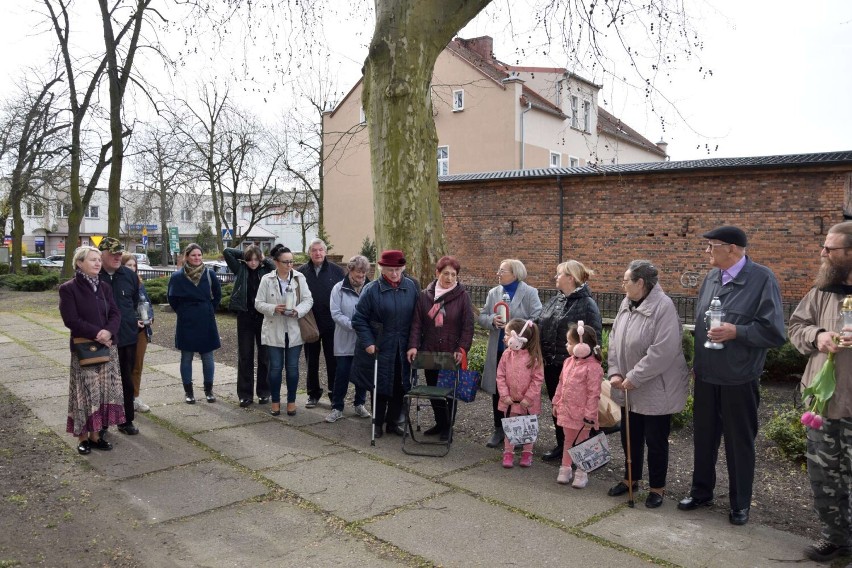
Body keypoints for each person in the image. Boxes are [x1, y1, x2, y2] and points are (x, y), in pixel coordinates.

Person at [678, 226, 785, 526]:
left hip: (739, 378)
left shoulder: (762, 279)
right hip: (707, 375)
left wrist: (736, 331)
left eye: (712, 246)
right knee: (704, 437)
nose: (707, 252)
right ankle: (701, 491)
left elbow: (775, 332)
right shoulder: (711, 277)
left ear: (734, 249)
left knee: (739, 443)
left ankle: (740, 503)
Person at [787, 221, 852, 563]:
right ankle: (835, 539)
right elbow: (796, 326)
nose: (823, 253)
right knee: (824, 478)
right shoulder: (821, 290)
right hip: (824, 406)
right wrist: (818, 336)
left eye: (831, 249)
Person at [607, 260, 690, 508]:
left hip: (655, 387)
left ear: (640, 283)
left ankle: (657, 487)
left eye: (625, 280)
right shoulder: (626, 303)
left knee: (655, 440)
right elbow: (614, 339)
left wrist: (635, 376)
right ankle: (631, 479)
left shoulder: (663, 307)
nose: (622, 285)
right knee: (629, 435)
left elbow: (663, 351)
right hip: (627, 386)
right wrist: (615, 372)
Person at [59, 246, 125, 454]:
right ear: (79, 263)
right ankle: (82, 437)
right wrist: (99, 333)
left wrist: (109, 332)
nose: (98, 263)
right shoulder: (68, 288)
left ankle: (96, 436)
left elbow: (116, 313)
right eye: (92, 260)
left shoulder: (104, 287)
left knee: (103, 393)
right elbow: (71, 320)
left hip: (107, 348)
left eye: (99, 259)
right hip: (84, 349)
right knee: (85, 393)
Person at [538, 260, 602, 462]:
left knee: (577, 410)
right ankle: (562, 446)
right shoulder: (556, 299)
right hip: (552, 363)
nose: (555, 278)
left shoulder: (587, 304)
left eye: (559, 274)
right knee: (558, 407)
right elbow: (542, 322)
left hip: (575, 368)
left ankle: (581, 451)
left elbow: (594, 337)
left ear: (571, 278)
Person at [351, 250, 419, 439]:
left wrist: (414, 343)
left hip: (403, 346)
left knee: (400, 385)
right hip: (381, 345)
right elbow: (359, 319)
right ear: (382, 269)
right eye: (390, 270)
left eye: (398, 269)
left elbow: (416, 319)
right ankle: (378, 422)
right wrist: (368, 343)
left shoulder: (411, 287)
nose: (395, 274)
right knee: (380, 386)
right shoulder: (372, 289)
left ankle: (393, 422)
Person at [406, 256, 475, 441]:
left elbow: (468, 326)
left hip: (450, 353)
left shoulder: (463, 297)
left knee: (448, 392)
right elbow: (417, 324)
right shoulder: (424, 295)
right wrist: (413, 346)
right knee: (433, 391)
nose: (450, 278)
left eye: (454, 274)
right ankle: (440, 423)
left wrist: (462, 348)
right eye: (446, 273)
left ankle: (448, 427)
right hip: (430, 351)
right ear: (437, 273)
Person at [476, 259, 542, 448]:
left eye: (502, 270)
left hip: (522, 355)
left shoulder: (530, 292)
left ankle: (519, 431)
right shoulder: (493, 292)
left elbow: (537, 316)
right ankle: (499, 428)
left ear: (515, 273)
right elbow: (482, 316)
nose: (498, 273)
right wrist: (491, 320)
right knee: (499, 390)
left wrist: (518, 329)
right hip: (498, 348)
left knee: (519, 390)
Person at [255, 244, 313, 417]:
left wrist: (298, 310)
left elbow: (308, 300)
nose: (290, 265)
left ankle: (291, 401)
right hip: (274, 329)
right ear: (276, 262)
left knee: (293, 368)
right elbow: (258, 303)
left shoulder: (299, 278)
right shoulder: (267, 279)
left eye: (291, 262)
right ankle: (275, 402)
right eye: (286, 262)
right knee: (275, 368)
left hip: (294, 330)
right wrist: (274, 308)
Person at [167, 243, 222, 404]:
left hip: (206, 318)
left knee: (208, 356)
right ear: (187, 257)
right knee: (186, 356)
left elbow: (217, 295)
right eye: (193, 255)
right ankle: (189, 392)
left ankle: (209, 390)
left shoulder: (210, 274)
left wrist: (209, 310)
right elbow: (172, 298)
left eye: (199, 255)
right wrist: (184, 312)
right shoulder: (177, 277)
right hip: (187, 319)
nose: (197, 258)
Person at [98, 237, 141, 436]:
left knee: (126, 379)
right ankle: (103, 423)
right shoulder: (94, 275)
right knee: (103, 382)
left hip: (126, 337)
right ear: (102, 254)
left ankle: (126, 420)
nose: (117, 257)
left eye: (119, 253)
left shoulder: (129, 276)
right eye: (112, 253)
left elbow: (133, 303)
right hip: (101, 339)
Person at [552, 321, 603, 488]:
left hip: (583, 415)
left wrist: (589, 415)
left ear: (581, 346)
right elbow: (561, 383)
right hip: (567, 410)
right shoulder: (568, 362)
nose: (566, 345)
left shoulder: (593, 368)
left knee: (583, 443)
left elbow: (593, 393)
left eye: (570, 342)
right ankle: (565, 468)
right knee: (568, 440)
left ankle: (582, 472)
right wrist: (556, 402)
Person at [224, 245, 275, 407]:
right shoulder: (240, 269)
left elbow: (274, 265)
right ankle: (245, 394)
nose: (252, 263)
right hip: (245, 316)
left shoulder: (266, 271)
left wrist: (261, 257)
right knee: (245, 356)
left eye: (255, 259)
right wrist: (247, 253)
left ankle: (264, 392)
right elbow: (227, 252)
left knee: (264, 355)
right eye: (249, 259)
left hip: (263, 317)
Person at [325, 255, 373, 423]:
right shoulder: (338, 288)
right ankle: (337, 407)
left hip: (364, 342)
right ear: (349, 271)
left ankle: (359, 404)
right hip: (344, 339)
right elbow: (336, 313)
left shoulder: (370, 288)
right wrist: (355, 325)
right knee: (342, 373)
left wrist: (366, 328)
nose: (360, 278)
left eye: (363, 274)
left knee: (361, 374)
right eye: (357, 274)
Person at [299, 239, 345, 408]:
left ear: (325, 252)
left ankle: (334, 393)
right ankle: (313, 393)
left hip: (331, 323)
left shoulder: (337, 271)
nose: (317, 253)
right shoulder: (301, 272)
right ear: (309, 252)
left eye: (320, 250)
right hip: (310, 322)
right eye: (314, 250)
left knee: (333, 360)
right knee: (311, 360)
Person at [496, 319, 544, 468]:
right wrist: (504, 395)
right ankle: (508, 452)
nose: (504, 337)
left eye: (507, 334)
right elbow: (500, 376)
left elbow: (537, 379)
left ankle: (527, 452)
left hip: (528, 403)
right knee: (510, 426)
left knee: (528, 428)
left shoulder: (533, 357)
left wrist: (529, 397)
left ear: (517, 337)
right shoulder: (506, 355)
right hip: (510, 401)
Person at [121, 253, 154, 414]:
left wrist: (150, 317)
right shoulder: (118, 284)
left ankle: (135, 397)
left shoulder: (139, 283)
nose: (132, 269)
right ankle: (123, 400)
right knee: (124, 366)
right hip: (126, 331)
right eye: (128, 266)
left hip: (142, 331)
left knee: (137, 366)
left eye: (134, 266)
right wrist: (133, 320)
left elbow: (147, 303)